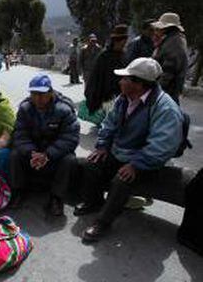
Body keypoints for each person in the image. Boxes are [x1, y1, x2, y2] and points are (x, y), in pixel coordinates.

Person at [74, 58, 183, 242]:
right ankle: (94, 202)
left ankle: (103, 222)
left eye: (125, 79)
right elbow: (108, 125)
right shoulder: (123, 99)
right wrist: (102, 146)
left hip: (145, 162)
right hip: (121, 153)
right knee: (93, 164)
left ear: (139, 84)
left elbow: (162, 145)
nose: (120, 81)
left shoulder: (165, 108)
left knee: (121, 180)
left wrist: (136, 165)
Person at [10, 74, 80, 216]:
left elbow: (70, 138)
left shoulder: (64, 110)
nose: (38, 98)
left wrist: (48, 154)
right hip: (33, 153)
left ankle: (57, 197)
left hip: (54, 154)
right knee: (15, 155)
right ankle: (18, 191)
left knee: (69, 160)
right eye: (34, 94)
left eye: (41, 94)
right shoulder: (25, 109)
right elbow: (19, 135)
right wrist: (32, 153)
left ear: (50, 92)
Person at [85, 24, 129, 114]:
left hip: (123, 96)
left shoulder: (124, 55)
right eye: (123, 41)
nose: (124, 44)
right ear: (117, 41)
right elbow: (95, 80)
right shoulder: (104, 57)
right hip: (107, 99)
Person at [152, 12, 188, 105]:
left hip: (167, 92)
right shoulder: (173, 40)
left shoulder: (173, 43)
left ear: (166, 28)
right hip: (168, 92)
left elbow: (168, 71)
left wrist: (155, 90)